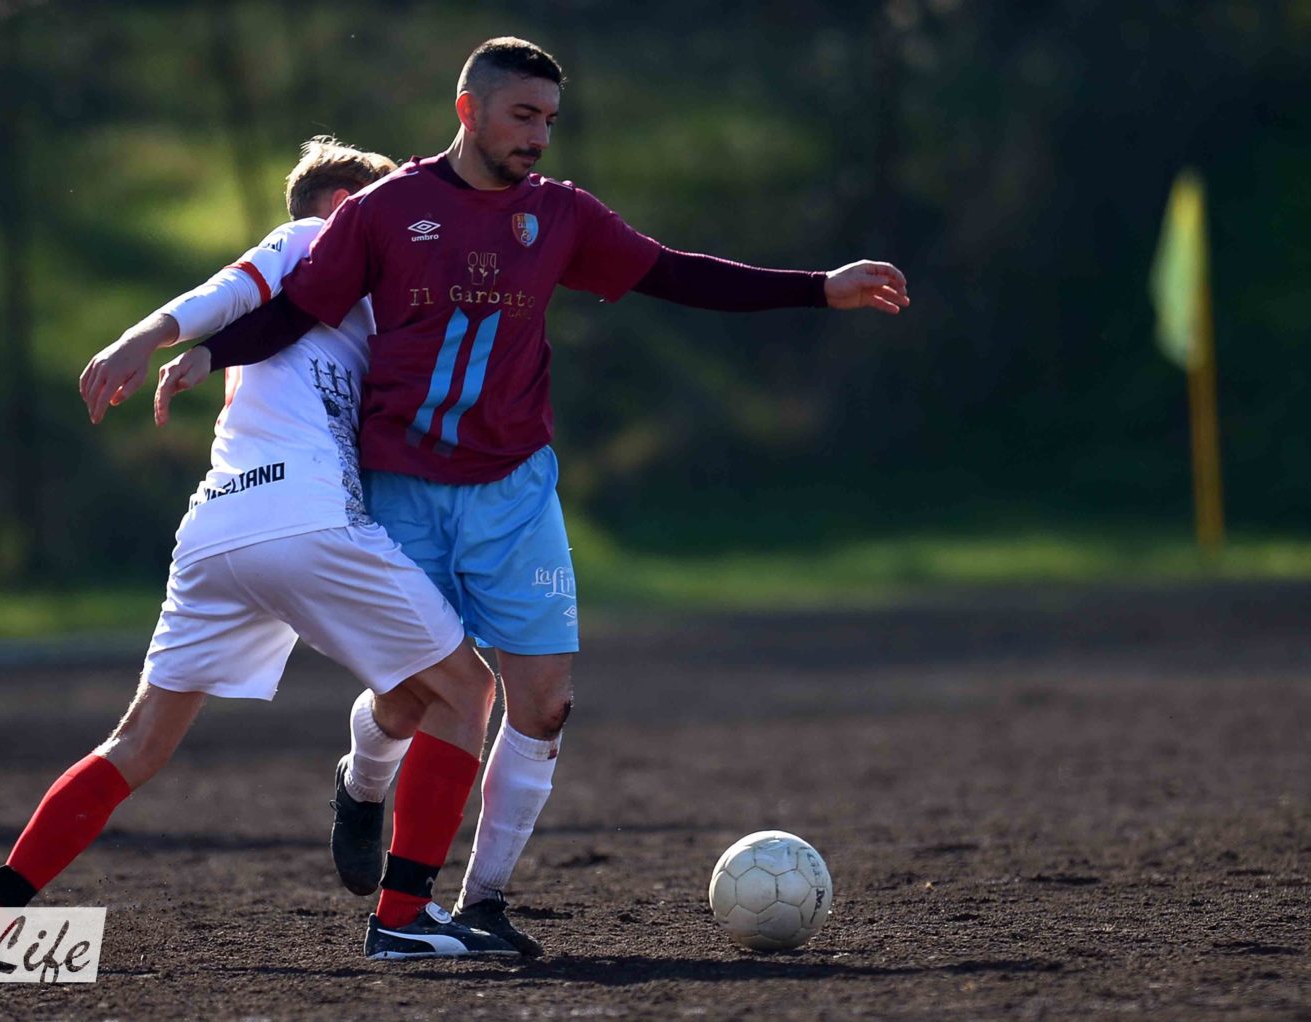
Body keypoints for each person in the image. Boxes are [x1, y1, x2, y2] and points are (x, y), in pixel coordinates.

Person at [100, 36, 910, 957]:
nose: (538, 136)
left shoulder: (558, 214)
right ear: (468, 110)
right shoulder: (384, 210)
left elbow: (671, 272)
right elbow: (297, 309)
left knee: (545, 702)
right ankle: (363, 781)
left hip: (516, 489)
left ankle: (480, 902)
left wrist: (817, 289)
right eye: (523, 115)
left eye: (549, 121)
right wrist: (208, 353)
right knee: (418, 700)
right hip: (404, 484)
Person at [0, 137, 518, 962]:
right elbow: (232, 287)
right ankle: (403, 918)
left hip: (217, 530)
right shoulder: (315, 239)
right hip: (305, 519)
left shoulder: (362, 302)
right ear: (344, 209)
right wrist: (146, 337)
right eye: (387, 206)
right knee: (468, 690)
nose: (402, 221)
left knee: (138, 743)